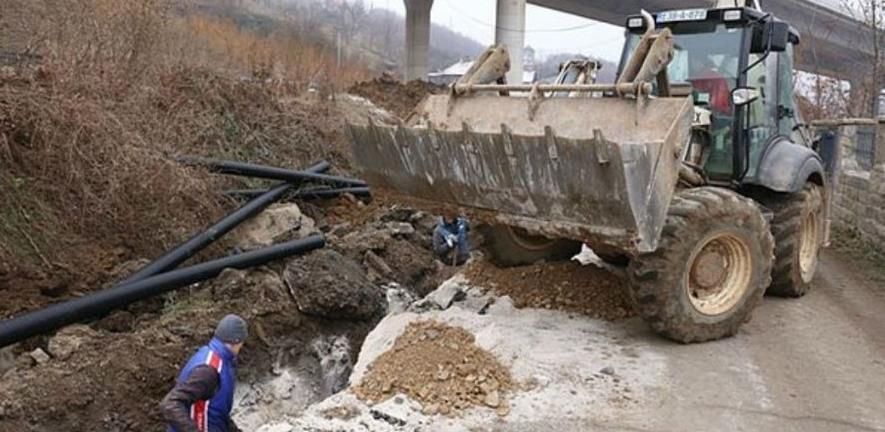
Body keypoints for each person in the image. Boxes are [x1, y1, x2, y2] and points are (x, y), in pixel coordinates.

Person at [160, 314, 248, 432]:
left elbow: (216, 411)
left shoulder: (219, 360)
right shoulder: (208, 370)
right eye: (242, 343)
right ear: (236, 341)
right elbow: (170, 404)